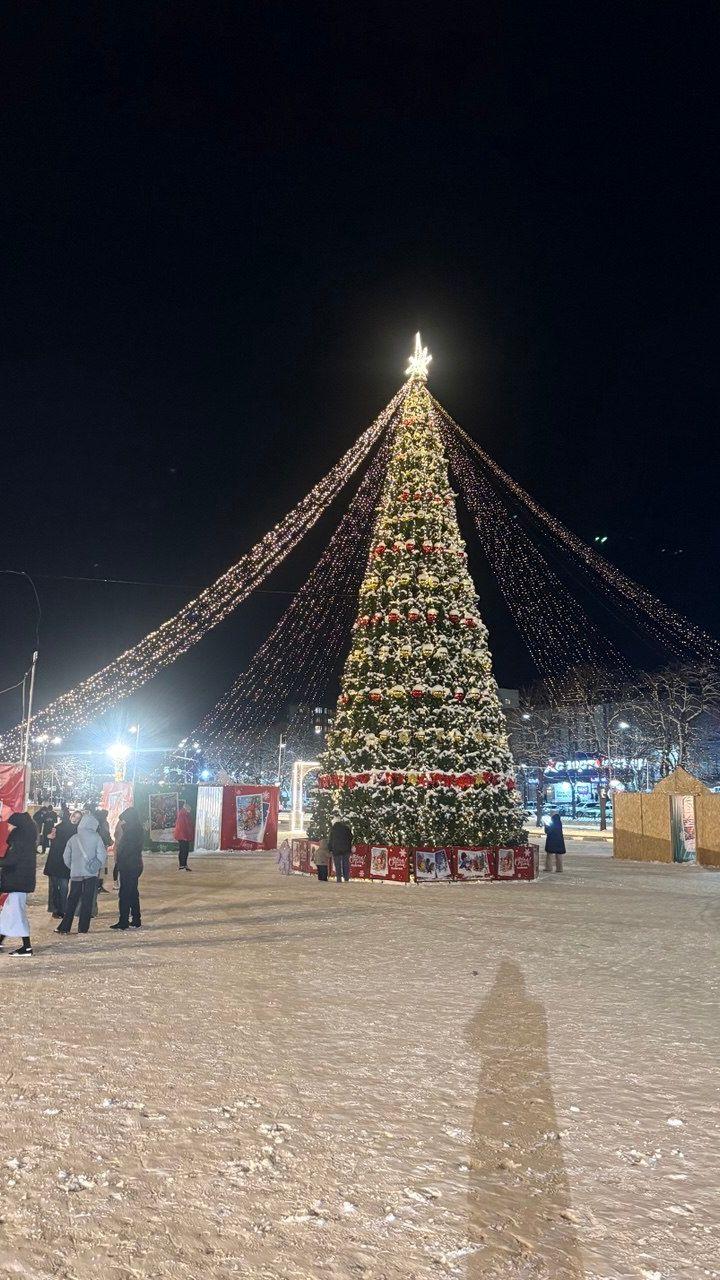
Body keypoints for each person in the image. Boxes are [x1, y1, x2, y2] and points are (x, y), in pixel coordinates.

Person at [55, 813, 108, 934]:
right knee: (87, 900)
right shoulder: (96, 837)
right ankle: (83, 927)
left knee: (72, 899)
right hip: (91, 874)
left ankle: (66, 926)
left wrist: (73, 867)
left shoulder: (74, 838)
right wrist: (96, 867)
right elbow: (102, 855)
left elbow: (66, 857)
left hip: (76, 874)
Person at [0, 813, 38, 956]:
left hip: (17, 882)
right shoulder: (25, 838)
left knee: (17, 915)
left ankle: (27, 948)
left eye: (10, 825)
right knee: (8, 914)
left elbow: (11, 861)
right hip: (19, 882)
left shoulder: (19, 840)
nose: (8, 827)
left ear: (17, 825)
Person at [111, 807, 143, 930]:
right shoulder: (135, 828)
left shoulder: (131, 831)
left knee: (125, 894)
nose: (123, 822)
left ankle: (124, 921)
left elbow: (127, 849)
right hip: (134, 865)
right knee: (133, 893)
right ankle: (136, 919)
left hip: (128, 866)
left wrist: (120, 861)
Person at [43, 807, 75, 918]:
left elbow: (48, 837)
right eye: (74, 816)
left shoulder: (58, 828)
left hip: (56, 862)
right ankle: (62, 909)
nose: (75, 819)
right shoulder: (74, 831)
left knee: (56, 887)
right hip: (63, 863)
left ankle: (56, 909)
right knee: (63, 887)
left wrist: (48, 837)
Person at [329, 818, 353, 883]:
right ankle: (346, 878)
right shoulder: (346, 828)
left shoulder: (333, 830)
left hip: (336, 849)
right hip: (346, 849)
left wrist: (330, 849)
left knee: (337, 865)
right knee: (346, 864)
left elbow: (330, 840)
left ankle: (339, 878)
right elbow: (351, 837)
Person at [94, 808, 112, 895]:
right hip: (102, 847)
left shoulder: (97, 823)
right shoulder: (103, 824)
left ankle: (99, 886)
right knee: (102, 868)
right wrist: (109, 841)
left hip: (99, 848)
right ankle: (98, 886)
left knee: (100, 868)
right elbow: (106, 835)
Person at [173, 800, 194, 871]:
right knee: (183, 850)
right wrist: (183, 836)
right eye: (189, 808)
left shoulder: (186, 814)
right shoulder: (182, 814)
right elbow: (181, 827)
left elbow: (188, 826)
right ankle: (181, 866)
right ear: (186, 807)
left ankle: (185, 865)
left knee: (186, 850)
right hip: (182, 836)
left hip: (185, 836)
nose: (190, 809)